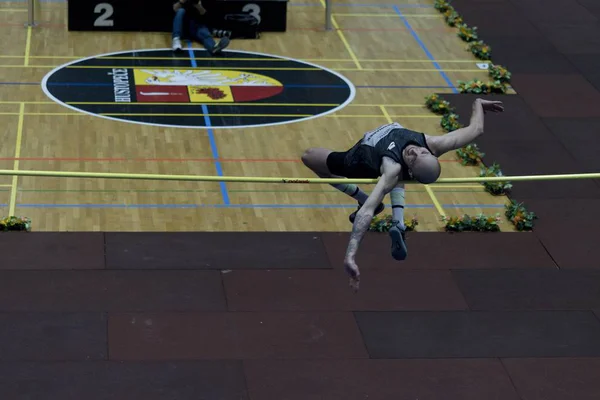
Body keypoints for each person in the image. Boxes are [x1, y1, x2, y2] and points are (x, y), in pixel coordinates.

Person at [301, 98, 504, 290]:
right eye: (421, 152)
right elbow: (476, 129)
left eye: (415, 158)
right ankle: (397, 221)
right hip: (393, 162)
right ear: (431, 153)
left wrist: (350, 256)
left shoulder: (392, 168)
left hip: (357, 160)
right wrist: (478, 104)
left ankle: (362, 198)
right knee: (399, 174)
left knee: (309, 156)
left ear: (413, 169)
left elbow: (367, 213)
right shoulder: (434, 144)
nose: (414, 151)